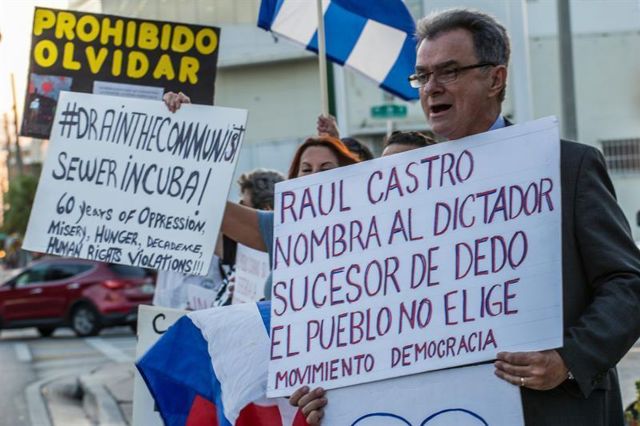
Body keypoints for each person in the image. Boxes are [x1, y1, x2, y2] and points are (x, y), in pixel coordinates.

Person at [291, 8, 640, 426]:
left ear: (495, 78)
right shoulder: (388, 193)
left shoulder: (567, 166)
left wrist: (568, 360)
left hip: (550, 411)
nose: (431, 88)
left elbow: (627, 285)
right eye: (422, 76)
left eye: (449, 72)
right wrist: (330, 387)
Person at [221, 136, 359, 299]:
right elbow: (215, 211)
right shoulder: (280, 227)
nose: (314, 175)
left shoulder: (365, 230)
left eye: (326, 169)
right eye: (306, 169)